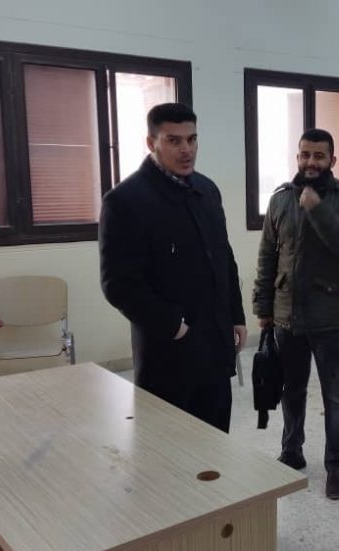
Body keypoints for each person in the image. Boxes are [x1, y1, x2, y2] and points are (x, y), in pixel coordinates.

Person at [99, 103, 247, 433]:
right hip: (168, 352)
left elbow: (223, 258)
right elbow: (118, 284)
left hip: (214, 347)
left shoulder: (207, 190)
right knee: (168, 448)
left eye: (192, 139)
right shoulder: (125, 200)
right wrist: (173, 325)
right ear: (151, 143)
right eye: (174, 140)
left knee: (215, 442)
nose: (186, 150)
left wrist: (235, 315)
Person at [253, 128, 339, 500]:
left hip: (330, 317)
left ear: (332, 160)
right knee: (292, 390)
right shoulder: (281, 200)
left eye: (319, 156)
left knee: (335, 396)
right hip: (287, 314)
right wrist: (262, 307)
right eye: (305, 154)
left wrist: (317, 208)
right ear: (297, 156)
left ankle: (337, 465)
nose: (311, 162)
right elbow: (268, 256)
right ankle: (292, 451)